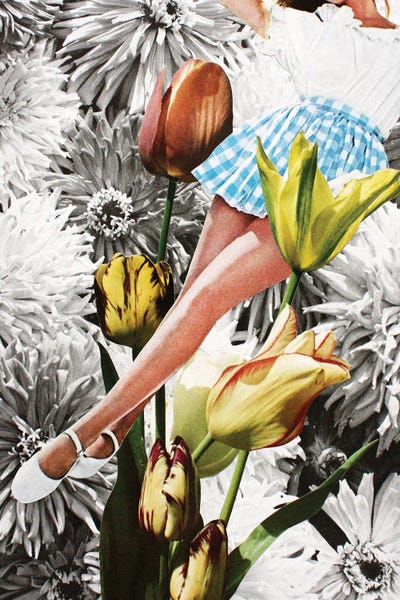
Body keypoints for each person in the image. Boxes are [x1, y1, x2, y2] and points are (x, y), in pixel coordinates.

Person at [12, 0, 400, 501]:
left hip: (332, 182)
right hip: (274, 147)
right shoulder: (308, 22)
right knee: (193, 297)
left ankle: (82, 433)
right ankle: (120, 426)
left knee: (209, 296)